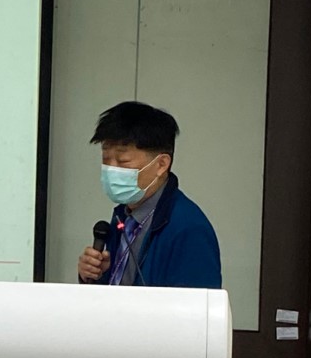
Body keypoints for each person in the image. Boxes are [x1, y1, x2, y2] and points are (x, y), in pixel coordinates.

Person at [77, 102, 221, 288]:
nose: (112, 169)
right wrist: (95, 276)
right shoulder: (123, 216)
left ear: (161, 165)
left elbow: (196, 304)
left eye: (123, 161)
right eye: (106, 159)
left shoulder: (189, 229)